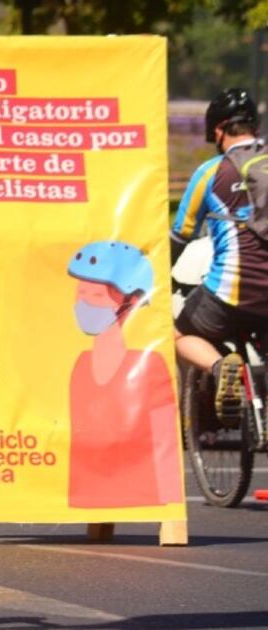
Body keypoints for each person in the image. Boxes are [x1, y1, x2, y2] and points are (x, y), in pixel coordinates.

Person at [172, 87, 268, 421]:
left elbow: (180, 235)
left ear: (218, 130)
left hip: (232, 291)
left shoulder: (211, 172)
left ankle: (220, 366)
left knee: (178, 332)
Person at [66, 241, 180, 507]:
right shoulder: (80, 365)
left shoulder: (150, 365)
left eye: (95, 296)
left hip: (144, 495)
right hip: (87, 495)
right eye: (80, 293)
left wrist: (171, 507)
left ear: (131, 301)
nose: (83, 303)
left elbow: (166, 448)